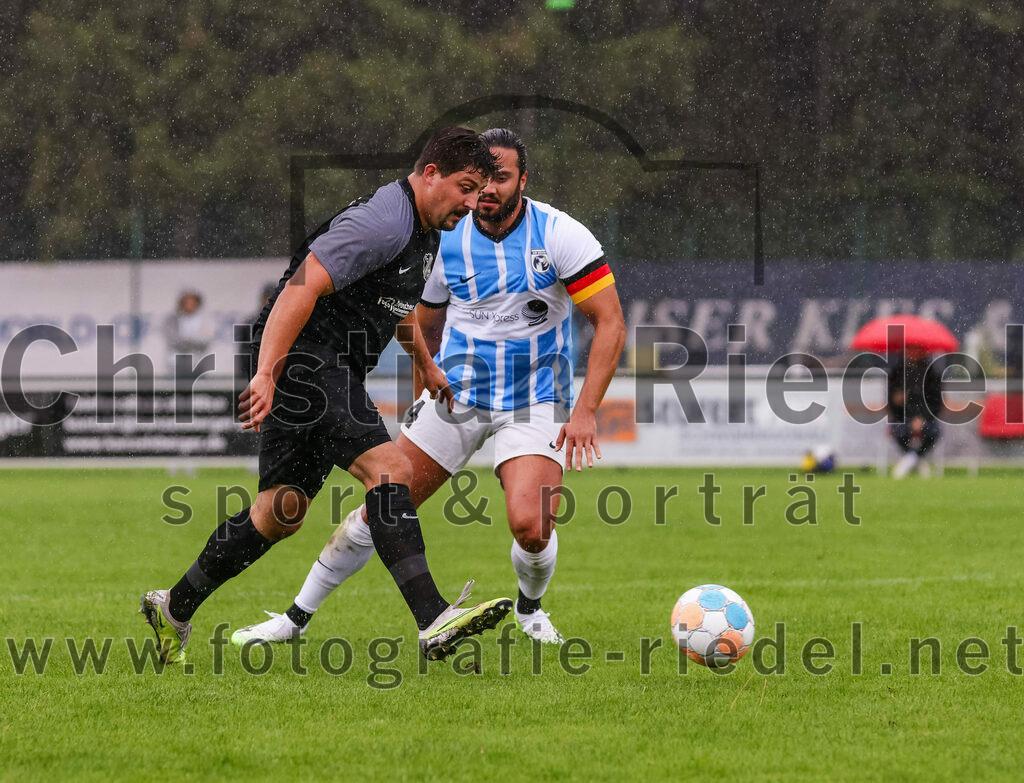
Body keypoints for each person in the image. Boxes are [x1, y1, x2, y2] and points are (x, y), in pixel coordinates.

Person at [231, 128, 626, 647]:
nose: (487, 191)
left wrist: (587, 411)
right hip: (456, 395)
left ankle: (531, 610)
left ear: (522, 182)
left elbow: (611, 322)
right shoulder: (446, 235)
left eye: (501, 178)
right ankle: (295, 618)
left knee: (530, 525)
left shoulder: (560, 235)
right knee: (382, 502)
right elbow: (422, 321)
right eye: (480, 180)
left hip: (535, 399)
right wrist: (424, 387)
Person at [140, 126, 509, 664]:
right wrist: (267, 372)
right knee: (391, 470)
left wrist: (425, 364)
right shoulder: (383, 222)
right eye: (466, 186)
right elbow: (300, 287)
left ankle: (173, 607)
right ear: (430, 174)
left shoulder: (427, 228)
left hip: (321, 365)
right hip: (304, 358)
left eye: (479, 191)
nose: (473, 202)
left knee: (279, 513)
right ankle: (433, 619)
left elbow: (395, 303)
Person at [888, 348, 944, 478]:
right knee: (898, 430)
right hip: (902, 417)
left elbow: (936, 402)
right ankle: (917, 458)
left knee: (934, 432)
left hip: (926, 418)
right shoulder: (897, 373)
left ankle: (910, 459)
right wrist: (897, 400)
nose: (912, 353)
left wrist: (922, 417)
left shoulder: (932, 375)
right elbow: (891, 400)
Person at [164, 290, 214, 377]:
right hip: (177, 364)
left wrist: (185, 341)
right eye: (186, 303)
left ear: (197, 304)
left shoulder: (205, 321)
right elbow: (174, 341)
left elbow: (204, 341)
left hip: (197, 363)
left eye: (192, 303)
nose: (189, 306)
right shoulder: (172, 320)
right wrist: (192, 342)